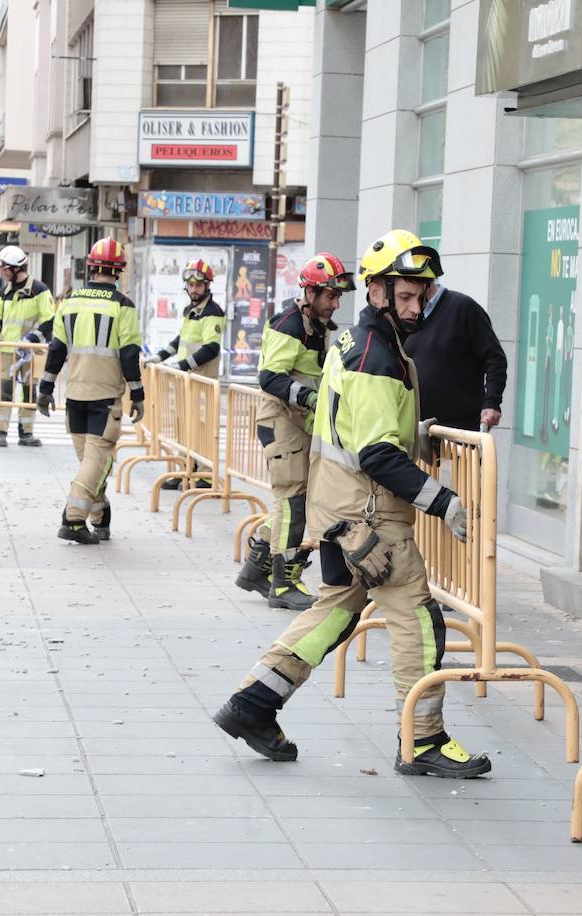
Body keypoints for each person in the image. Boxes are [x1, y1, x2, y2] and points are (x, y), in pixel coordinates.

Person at [214, 229, 486, 779]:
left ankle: (253, 704)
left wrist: (415, 432)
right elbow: (377, 454)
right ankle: (423, 740)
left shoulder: (355, 344)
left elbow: (357, 426)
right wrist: (444, 501)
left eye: (421, 296)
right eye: (403, 296)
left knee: (335, 611)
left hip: (341, 509)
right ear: (377, 291)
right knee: (419, 620)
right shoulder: (375, 356)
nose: (415, 307)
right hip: (370, 516)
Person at [234, 252, 352, 612]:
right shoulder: (290, 324)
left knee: (293, 503)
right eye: (329, 296)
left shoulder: (313, 325)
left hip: (295, 426)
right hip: (282, 424)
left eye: (337, 297)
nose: (335, 304)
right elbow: (270, 377)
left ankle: (257, 569)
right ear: (310, 293)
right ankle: (283, 585)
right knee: (292, 503)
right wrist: (313, 397)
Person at [36, 238, 143, 545]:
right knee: (98, 460)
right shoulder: (123, 305)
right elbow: (129, 354)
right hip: (105, 396)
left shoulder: (68, 303)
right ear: (119, 271)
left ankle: (100, 516)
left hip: (74, 396)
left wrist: (45, 388)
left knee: (89, 461)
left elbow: (56, 350)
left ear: (91, 267)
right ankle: (72, 519)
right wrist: (138, 394)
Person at [148, 258, 225, 489]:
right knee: (182, 427)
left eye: (198, 285)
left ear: (207, 285)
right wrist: (160, 356)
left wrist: (181, 366)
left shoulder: (212, 312)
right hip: (186, 382)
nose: (194, 289)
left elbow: (211, 348)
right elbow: (180, 340)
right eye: (190, 285)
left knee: (202, 429)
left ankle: (204, 475)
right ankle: (184, 470)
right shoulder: (191, 311)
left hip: (202, 381)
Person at [404, 281, 507, 433]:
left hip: (458, 434)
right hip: (417, 432)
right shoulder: (406, 316)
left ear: (424, 281)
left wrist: (492, 402)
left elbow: (494, 358)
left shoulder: (463, 308)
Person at [0, 246, 55, 447]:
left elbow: (50, 319)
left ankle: (26, 433)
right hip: (8, 351)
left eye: (4, 268)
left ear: (16, 268)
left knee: (29, 392)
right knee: (5, 392)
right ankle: (0, 432)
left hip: (29, 353)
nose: (1, 272)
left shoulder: (40, 290)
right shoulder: (4, 292)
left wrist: (33, 338)